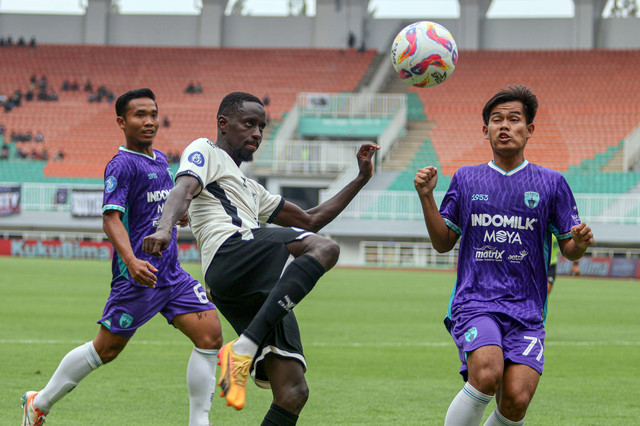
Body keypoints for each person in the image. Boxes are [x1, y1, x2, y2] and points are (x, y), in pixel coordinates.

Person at [142, 91, 379, 424]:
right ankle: (244, 348)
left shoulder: (252, 188)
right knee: (324, 248)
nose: (257, 133)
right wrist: (165, 228)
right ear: (223, 124)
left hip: (250, 285)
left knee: (293, 392)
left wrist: (360, 179)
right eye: (249, 123)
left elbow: (310, 220)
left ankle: (245, 348)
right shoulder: (205, 150)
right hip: (231, 252)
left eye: (262, 127)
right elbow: (183, 189)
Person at [21, 88, 223, 426]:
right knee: (106, 350)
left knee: (210, 336)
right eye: (139, 115)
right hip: (138, 278)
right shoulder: (121, 165)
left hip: (171, 275)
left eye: (153, 114)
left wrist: (176, 217)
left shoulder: (160, 159)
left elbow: (162, 206)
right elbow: (110, 218)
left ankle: (199, 423)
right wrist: (131, 261)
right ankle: (38, 404)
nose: (149, 122)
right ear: (121, 121)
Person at [414, 85, 594, 426]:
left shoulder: (552, 183)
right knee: (486, 373)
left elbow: (569, 246)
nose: (505, 126)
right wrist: (427, 197)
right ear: (485, 130)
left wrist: (580, 244)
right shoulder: (467, 179)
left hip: (527, 310)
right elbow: (443, 242)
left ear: (529, 130)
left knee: (516, 401)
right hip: (475, 301)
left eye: (514, 119)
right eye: (497, 120)